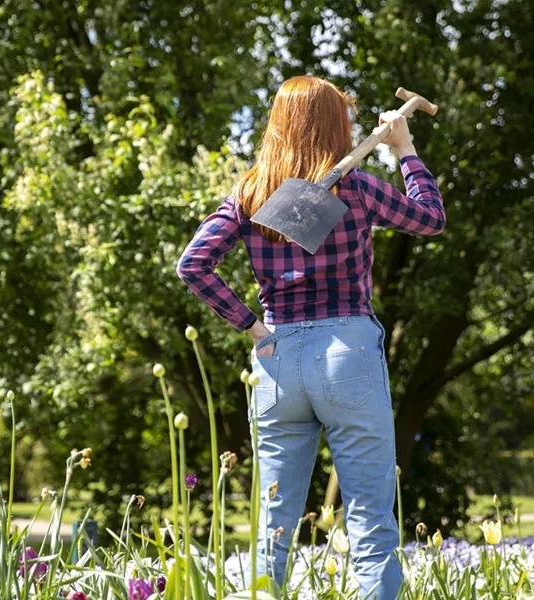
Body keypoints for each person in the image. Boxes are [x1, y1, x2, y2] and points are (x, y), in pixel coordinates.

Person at [176, 75, 445, 599]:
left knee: (273, 526)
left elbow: (194, 265)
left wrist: (252, 327)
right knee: (369, 518)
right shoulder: (359, 187)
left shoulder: (252, 190)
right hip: (349, 353)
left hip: (277, 359)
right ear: (334, 126)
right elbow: (430, 219)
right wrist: (406, 147)